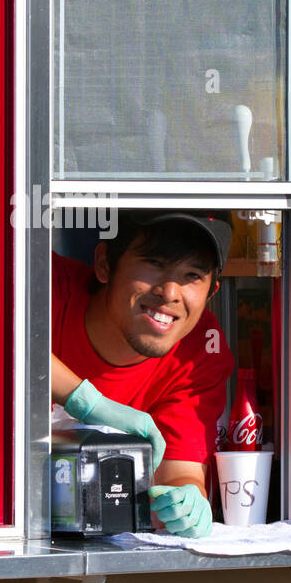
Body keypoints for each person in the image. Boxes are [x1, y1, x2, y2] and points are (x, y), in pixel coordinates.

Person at [51, 212, 234, 538]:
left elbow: (179, 473)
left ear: (212, 293)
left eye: (192, 275)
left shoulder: (200, 351)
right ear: (105, 263)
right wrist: (84, 401)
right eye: (154, 263)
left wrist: (186, 503)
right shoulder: (45, 283)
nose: (170, 293)